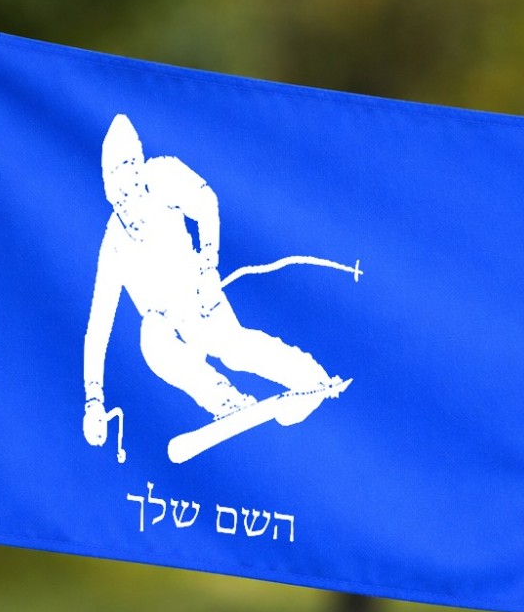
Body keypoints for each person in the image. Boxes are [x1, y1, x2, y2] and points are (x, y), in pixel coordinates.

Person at [83, 114, 338, 450]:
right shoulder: (114, 244)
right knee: (152, 336)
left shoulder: (162, 175)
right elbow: (99, 325)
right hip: (164, 323)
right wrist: (94, 400)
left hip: (195, 298)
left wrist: (207, 268)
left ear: (140, 177)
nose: (130, 213)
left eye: (132, 195)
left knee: (231, 349)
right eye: (120, 203)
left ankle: (307, 375)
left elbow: (205, 201)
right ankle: (224, 399)